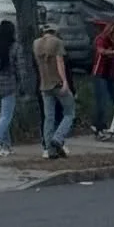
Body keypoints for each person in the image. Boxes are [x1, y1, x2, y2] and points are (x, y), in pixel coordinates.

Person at [34, 22, 76, 157]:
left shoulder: (36, 43)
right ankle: (58, 138)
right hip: (57, 83)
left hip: (44, 84)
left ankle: (49, 149)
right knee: (70, 112)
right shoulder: (57, 42)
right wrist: (65, 82)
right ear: (55, 32)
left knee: (48, 117)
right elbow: (60, 62)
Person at [0, 19, 23, 156]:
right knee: (6, 116)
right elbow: (19, 67)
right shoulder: (15, 47)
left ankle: (6, 145)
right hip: (8, 84)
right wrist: (21, 82)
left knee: (2, 116)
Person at [91, 19, 114, 138]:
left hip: (112, 75)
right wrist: (113, 52)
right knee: (102, 101)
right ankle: (98, 126)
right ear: (112, 30)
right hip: (100, 74)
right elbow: (101, 50)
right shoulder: (102, 39)